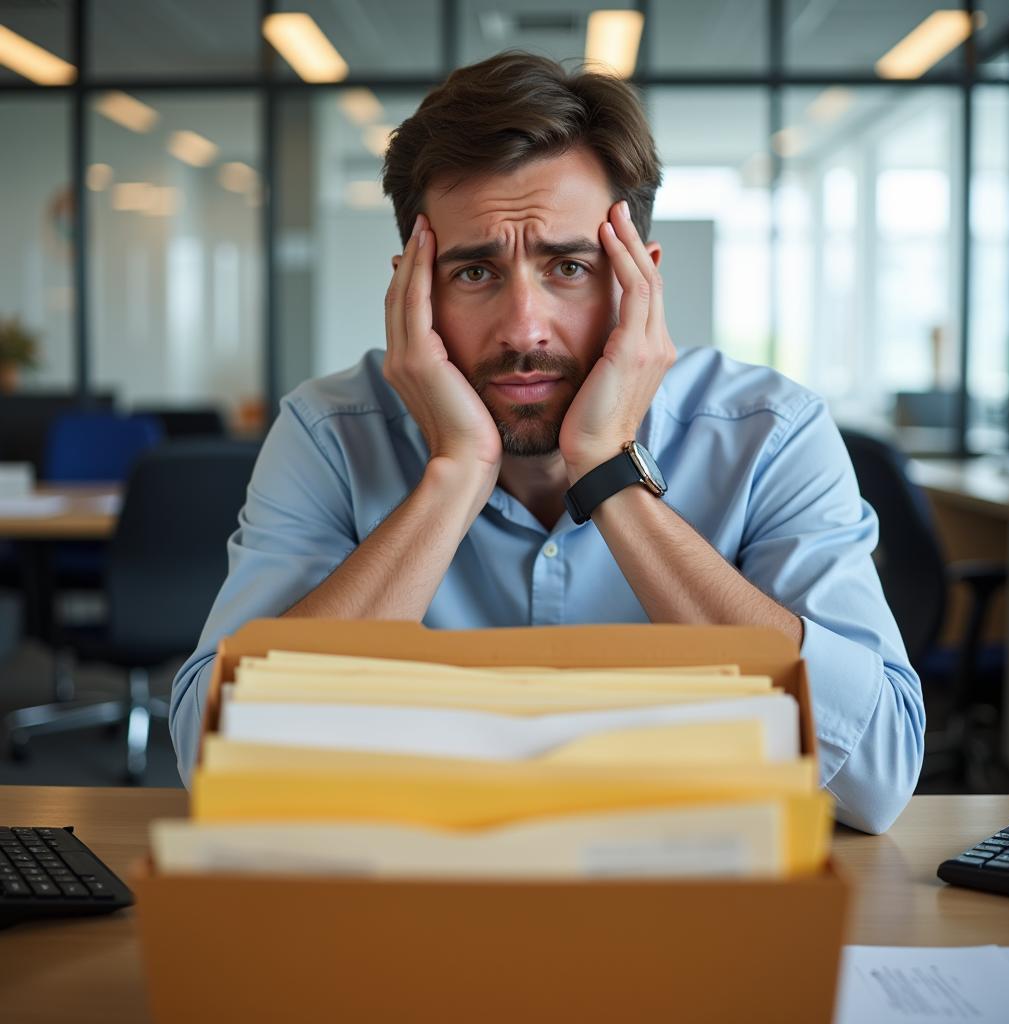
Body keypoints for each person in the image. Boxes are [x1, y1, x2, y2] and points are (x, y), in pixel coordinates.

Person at [170, 52, 924, 834]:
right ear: (411, 291)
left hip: (687, 894)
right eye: (474, 273)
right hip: (411, 895)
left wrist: (608, 472)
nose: (524, 329)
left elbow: (876, 777)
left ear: (641, 283)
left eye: (569, 266)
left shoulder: (769, 433)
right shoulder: (329, 432)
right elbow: (212, 761)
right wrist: (457, 474)